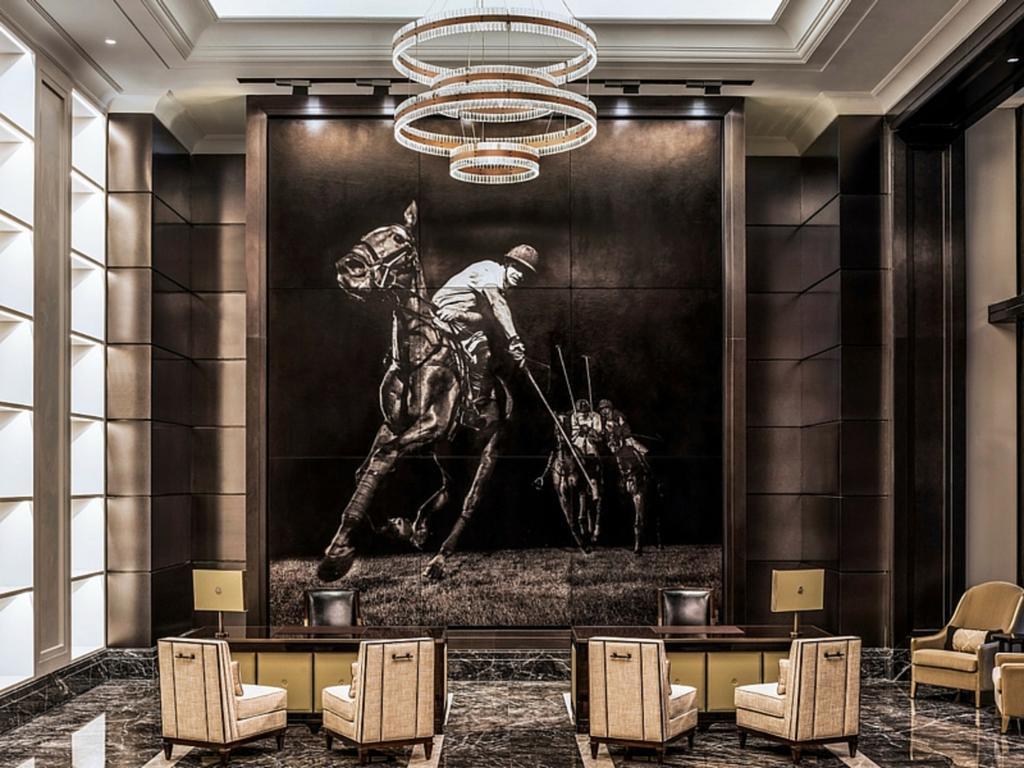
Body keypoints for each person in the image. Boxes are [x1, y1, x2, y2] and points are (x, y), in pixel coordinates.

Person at [431, 244, 538, 424]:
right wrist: (514, 340)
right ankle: (471, 406)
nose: (520, 275)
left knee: (484, 353)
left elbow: (480, 317)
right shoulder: (489, 271)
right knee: (482, 352)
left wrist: (459, 314)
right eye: (517, 268)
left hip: (458, 323)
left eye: (524, 273)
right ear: (506, 264)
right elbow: (498, 304)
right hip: (437, 315)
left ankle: (470, 406)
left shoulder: (501, 289)